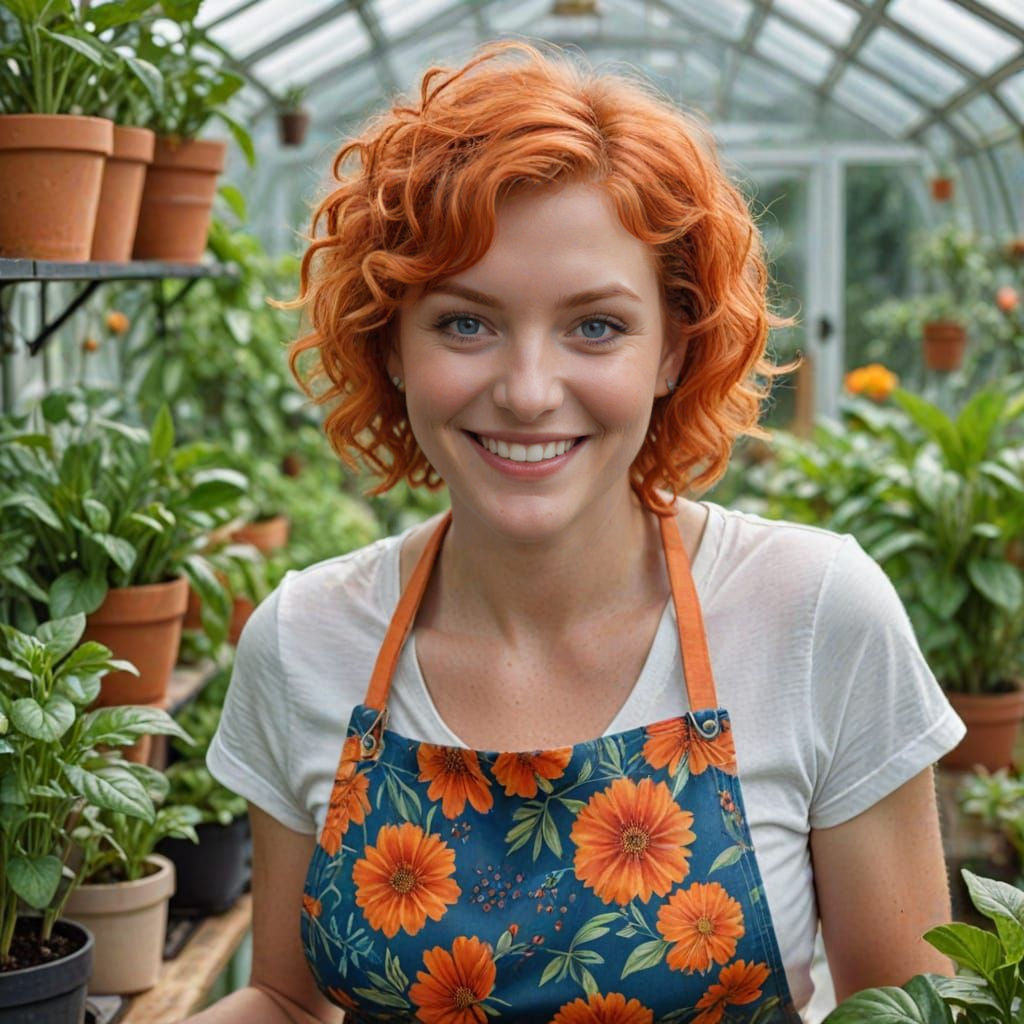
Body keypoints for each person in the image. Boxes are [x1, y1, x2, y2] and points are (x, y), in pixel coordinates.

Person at [194, 40, 965, 1024]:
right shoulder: (303, 637)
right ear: (390, 343)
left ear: (671, 351)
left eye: (594, 326)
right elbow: (285, 999)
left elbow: (902, 1005)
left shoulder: (814, 615)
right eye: (465, 323)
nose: (525, 391)